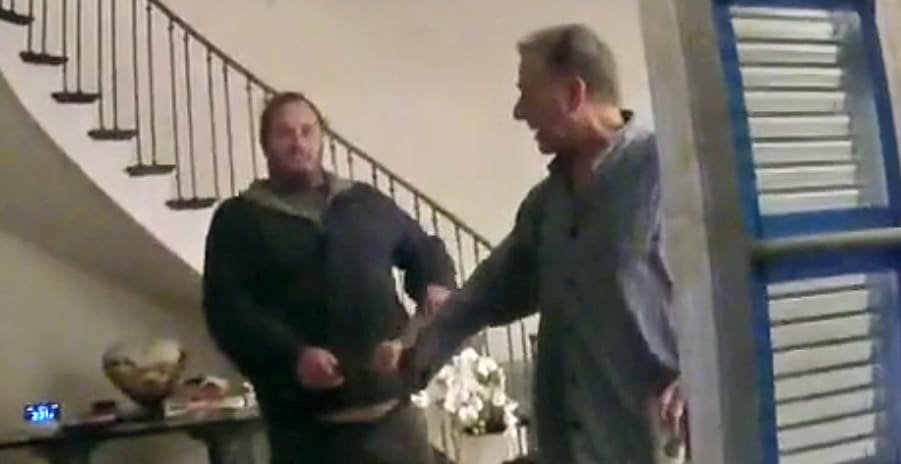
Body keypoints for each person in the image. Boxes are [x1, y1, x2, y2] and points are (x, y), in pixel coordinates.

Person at [379, 24, 686, 464]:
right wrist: (412, 354)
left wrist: (701, 375)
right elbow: (484, 294)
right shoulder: (546, 205)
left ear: (574, 93)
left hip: (651, 446)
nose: (519, 111)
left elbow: (734, 291)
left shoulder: (669, 173)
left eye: (528, 93)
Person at [202, 92, 456, 464]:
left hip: (396, 424)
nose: (298, 143)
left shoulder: (364, 202)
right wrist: (292, 357)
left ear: (323, 138)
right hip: (305, 434)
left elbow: (423, 248)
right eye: (285, 133)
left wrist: (434, 282)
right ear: (265, 144)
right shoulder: (239, 219)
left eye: (307, 131)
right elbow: (227, 310)